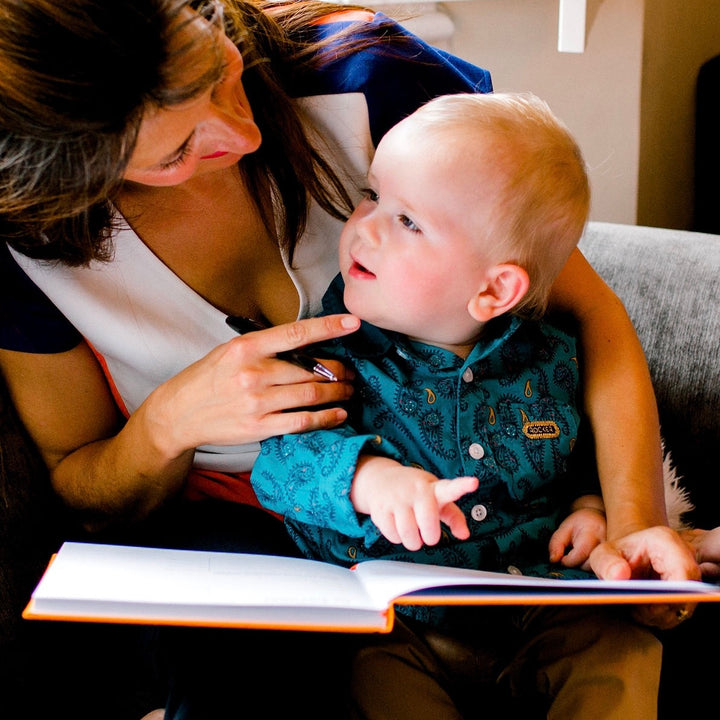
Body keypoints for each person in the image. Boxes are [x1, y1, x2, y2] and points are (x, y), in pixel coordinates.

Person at [0, 0, 696, 716]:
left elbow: (583, 319)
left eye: (216, 69)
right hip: (248, 541)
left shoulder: (372, 79)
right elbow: (78, 482)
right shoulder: (33, 245)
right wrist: (169, 422)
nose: (243, 132)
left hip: (505, 559)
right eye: (175, 153)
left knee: (618, 653)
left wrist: (625, 515)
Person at [250, 92, 664, 718]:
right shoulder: (332, 352)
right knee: (370, 678)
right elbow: (278, 463)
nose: (364, 226)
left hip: (533, 599)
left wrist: (589, 507)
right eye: (372, 195)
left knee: (623, 648)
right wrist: (366, 479)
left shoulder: (548, 359)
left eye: (409, 222)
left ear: (495, 289)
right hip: (398, 622)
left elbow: (574, 450)